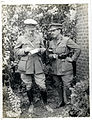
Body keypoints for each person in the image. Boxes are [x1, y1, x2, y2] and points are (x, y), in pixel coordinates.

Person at [14, 19, 53, 113]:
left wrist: (41, 50)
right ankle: (31, 104)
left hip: (37, 63)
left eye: (33, 30)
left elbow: (43, 47)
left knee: (42, 85)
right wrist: (24, 50)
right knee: (28, 85)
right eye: (29, 30)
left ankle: (46, 104)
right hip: (26, 64)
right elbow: (15, 51)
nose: (31, 31)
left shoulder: (39, 37)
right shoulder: (21, 38)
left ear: (35, 29)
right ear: (25, 28)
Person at [48, 23, 81, 108]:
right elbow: (49, 54)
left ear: (59, 30)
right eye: (50, 31)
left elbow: (78, 49)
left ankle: (69, 104)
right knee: (58, 85)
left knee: (67, 86)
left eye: (53, 30)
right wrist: (52, 56)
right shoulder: (51, 42)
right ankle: (61, 102)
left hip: (65, 67)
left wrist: (72, 59)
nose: (51, 32)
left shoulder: (66, 40)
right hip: (55, 68)